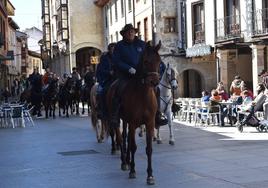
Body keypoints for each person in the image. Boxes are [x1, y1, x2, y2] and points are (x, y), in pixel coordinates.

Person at [110, 23, 146, 126]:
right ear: (124, 34)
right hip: (125, 75)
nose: (130, 33)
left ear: (135, 33)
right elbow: (117, 61)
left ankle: (157, 113)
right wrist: (128, 68)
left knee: (154, 88)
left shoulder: (142, 44)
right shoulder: (119, 46)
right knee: (117, 89)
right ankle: (115, 115)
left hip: (141, 74)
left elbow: (147, 58)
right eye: (128, 32)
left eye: (132, 31)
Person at [96, 43, 116, 119]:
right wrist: (109, 72)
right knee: (102, 92)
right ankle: (101, 110)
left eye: (115, 49)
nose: (114, 51)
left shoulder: (119, 56)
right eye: (112, 49)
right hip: (107, 79)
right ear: (109, 50)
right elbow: (100, 70)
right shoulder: (104, 58)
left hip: (118, 77)